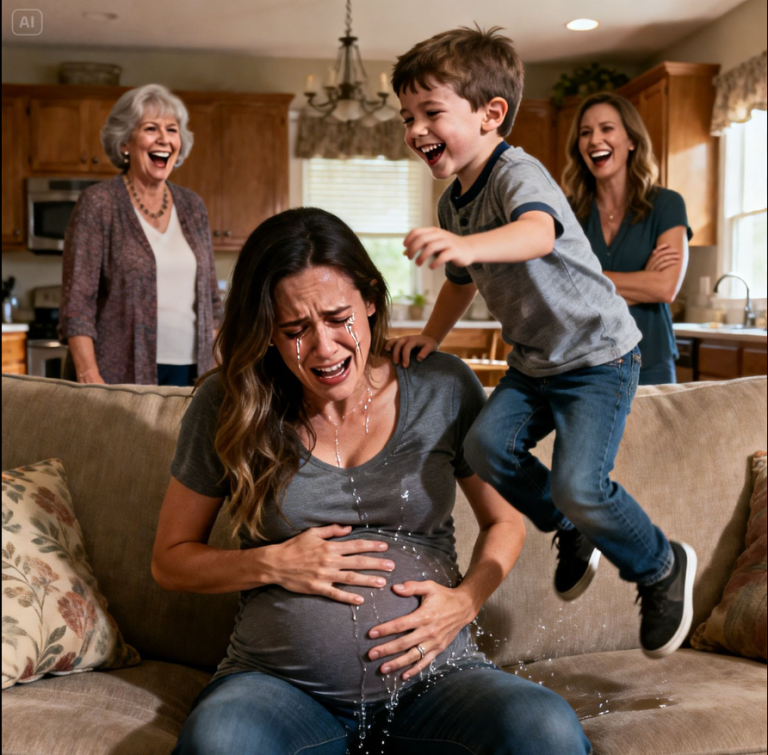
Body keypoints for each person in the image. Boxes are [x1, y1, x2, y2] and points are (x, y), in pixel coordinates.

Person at [152, 207, 592, 755]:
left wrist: (466, 601)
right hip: (280, 689)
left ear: (370, 301)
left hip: (439, 682)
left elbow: (504, 520)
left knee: (543, 727)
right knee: (220, 743)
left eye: (339, 318)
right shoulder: (229, 402)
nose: (324, 347)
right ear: (266, 330)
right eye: (295, 330)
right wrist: (269, 562)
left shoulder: (442, 387)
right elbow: (169, 560)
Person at [387, 26, 696, 659]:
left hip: (599, 357)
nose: (415, 128)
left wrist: (469, 245)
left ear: (491, 113)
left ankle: (661, 566)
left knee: (581, 485)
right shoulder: (454, 204)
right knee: (483, 445)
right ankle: (569, 530)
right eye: (407, 116)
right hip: (535, 364)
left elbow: (537, 234)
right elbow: (458, 282)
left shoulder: (515, 171)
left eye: (431, 112)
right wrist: (430, 335)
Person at [58, 83, 221, 386]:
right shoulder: (100, 203)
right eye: (150, 128)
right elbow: (77, 305)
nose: (164, 139)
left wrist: (222, 374)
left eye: (171, 130)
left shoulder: (193, 205)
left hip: (194, 371)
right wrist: (89, 375)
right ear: (125, 143)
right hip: (117, 374)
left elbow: (212, 303)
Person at [563, 92, 691, 385]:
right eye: (586, 133)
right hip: (584, 361)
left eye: (607, 128)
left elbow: (665, 287)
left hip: (652, 360)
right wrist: (641, 279)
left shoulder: (667, 204)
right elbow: (559, 288)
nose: (595, 139)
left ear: (631, 140)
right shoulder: (567, 212)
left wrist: (587, 281)